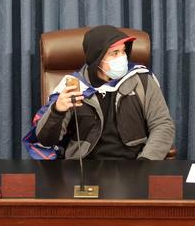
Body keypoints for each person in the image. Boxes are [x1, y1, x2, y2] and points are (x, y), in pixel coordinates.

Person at [29, 25, 175, 160]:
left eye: (124, 51)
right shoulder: (74, 87)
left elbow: (162, 125)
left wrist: (145, 162)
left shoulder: (142, 80)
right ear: (97, 58)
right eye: (114, 53)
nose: (122, 57)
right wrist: (57, 111)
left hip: (133, 164)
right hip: (83, 168)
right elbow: (46, 140)